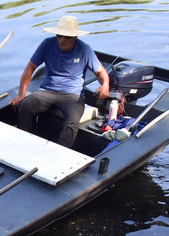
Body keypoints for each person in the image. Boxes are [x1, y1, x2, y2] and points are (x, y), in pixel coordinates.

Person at [10, 15, 110, 148]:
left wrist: (105, 85)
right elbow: (30, 67)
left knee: (72, 120)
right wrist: (21, 94)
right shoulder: (47, 44)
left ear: (75, 37)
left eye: (67, 37)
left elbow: (101, 72)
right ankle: (27, 143)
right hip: (47, 91)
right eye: (59, 35)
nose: (62, 40)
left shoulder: (85, 49)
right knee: (26, 106)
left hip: (72, 95)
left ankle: (61, 151)